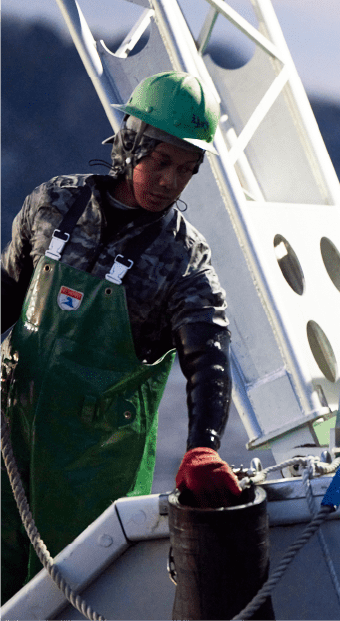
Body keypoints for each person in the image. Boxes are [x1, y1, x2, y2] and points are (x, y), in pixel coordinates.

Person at [0, 71, 242, 602]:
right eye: (161, 162)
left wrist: (202, 449)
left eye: (186, 169)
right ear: (130, 143)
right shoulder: (51, 206)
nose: (170, 181)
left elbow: (209, 356)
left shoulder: (184, 259)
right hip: (10, 442)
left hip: (92, 474)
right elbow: (5, 293)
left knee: (71, 600)